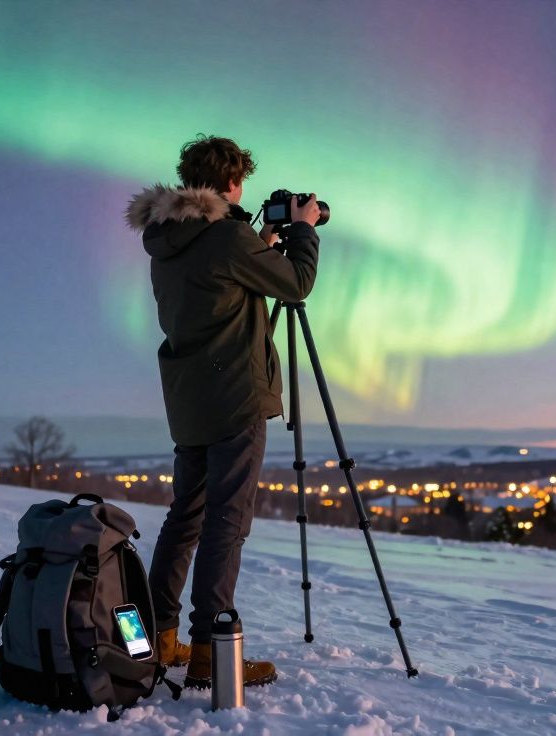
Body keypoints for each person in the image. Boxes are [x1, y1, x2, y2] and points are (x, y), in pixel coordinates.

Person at [124, 135, 321, 688]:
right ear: (231, 183)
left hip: (189, 400)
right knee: (226, 524)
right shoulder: (227, 239)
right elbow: (297, 283)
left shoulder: (170, 240)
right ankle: (213, 651)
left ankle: (160, 637)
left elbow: (213, 288)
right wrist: (303, 229)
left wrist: (257, 242)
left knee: (186, 516)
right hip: (235, 397)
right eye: (242, 184)